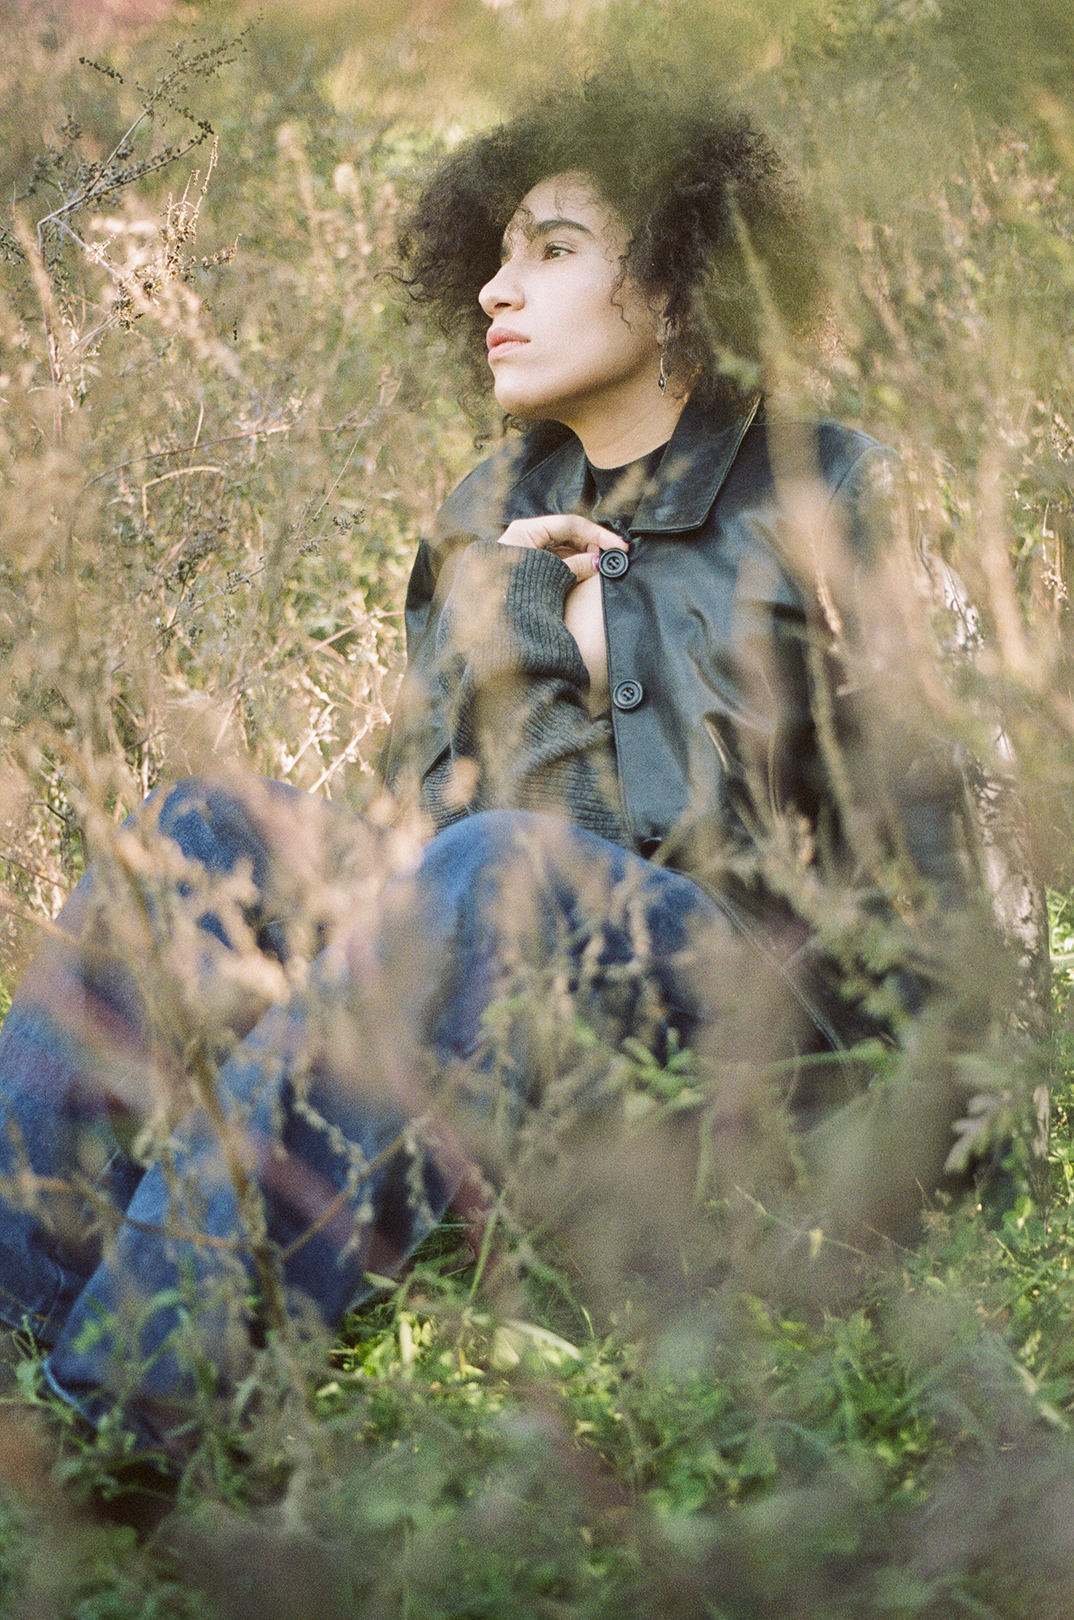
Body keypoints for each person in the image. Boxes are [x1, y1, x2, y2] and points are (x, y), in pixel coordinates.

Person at [0, 69, 1024, 1478]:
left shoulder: (837, 487)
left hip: (783, 1065)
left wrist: (942, 1167)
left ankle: (122, 1434)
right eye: (491, 253)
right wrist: (525, 626)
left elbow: (910, 877)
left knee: (500, 870)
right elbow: (436, 869)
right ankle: (24, 1354)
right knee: (205, 828)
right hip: (533, 1048)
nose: (495, 287)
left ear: (674, 283)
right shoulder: (483, 520)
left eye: (551, 250)